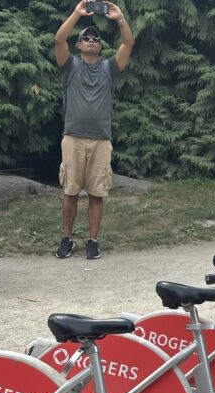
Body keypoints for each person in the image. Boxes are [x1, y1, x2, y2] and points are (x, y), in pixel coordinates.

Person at [54, 0, 134, 260]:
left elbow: (128, 44)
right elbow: (59, 39)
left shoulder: (109, 68)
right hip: (73, 138)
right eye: (85, 38)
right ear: (79, 44)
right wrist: (77, 13)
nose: (90, 40)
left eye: (95, 38)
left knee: (97, 194)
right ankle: (67, 239)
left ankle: (93, 241)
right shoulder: (70, 67)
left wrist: (120, 19)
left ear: (100, 46)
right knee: (70, 192)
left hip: (101, 141)